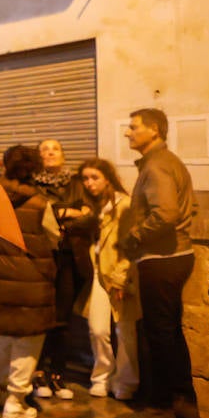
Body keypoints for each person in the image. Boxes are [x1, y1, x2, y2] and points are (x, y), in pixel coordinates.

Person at [115, 108, 198, 418]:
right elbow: (188, 207)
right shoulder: (168, 162)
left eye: (134, 127)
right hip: (176, 255)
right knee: (171, 333)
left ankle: (161, 408)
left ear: (154, 130)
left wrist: (133, 238)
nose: (127, 133)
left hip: (161, 259)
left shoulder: (157, 165)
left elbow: (165, 214)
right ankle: (185, 402)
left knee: (158, 335)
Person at [0, 146, 59, 418]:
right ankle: (15, 400)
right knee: (28, 340)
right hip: (32, 282)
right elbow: (53, 237)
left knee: (0, 337)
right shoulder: (39, 203)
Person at [33, 139, 92, 401]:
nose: (50, 152)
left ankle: (58, 373)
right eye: (44, 149)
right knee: (40, 316)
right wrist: (68, 212)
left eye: (55, 148)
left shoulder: (78, 182)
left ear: (63, 155)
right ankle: (36, 373)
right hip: (42, 257)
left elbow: (90, 214)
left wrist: (59, 213)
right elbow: (35, 216)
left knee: (62, 318)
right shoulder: (32, 185)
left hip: (70, 257)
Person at [77, 159, 140, 401]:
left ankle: (126, 381)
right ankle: (102, 375)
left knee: (124, 330)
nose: (89, 183)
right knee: (98, 329)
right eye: (85, 178)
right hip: (97, 274)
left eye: (94, 177)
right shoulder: (95, 207)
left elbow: (130, 247)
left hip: (116, 275)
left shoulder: (124, 205)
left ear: (108, 179)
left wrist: (121, 278)